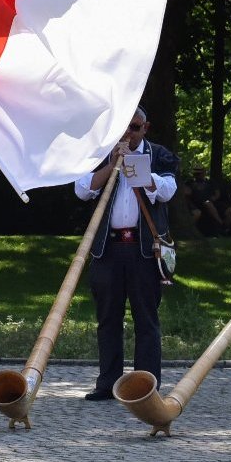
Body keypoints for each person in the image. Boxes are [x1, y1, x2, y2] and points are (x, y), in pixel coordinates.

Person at [74, 108, 179, 400]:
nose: (128, 134)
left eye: (134, 127)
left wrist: (133, 164)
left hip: (144, 251)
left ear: (146, 127)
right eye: (123, 128)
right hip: (108, 249)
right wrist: (112, 165)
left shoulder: (160, 155)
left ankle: (145, 386)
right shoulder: (103, 154)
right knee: (108, 318)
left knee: (146, 319)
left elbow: (168, 190)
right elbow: (82, 189)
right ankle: (108, 383)